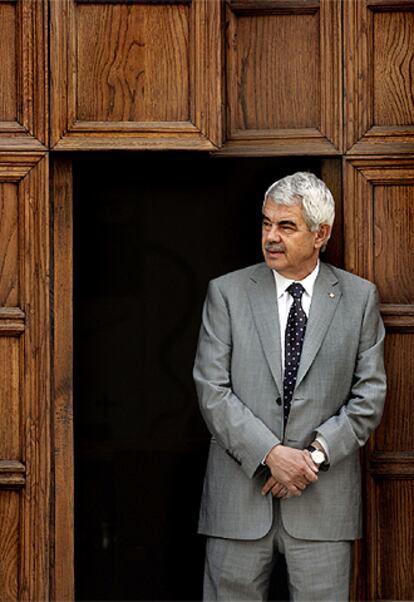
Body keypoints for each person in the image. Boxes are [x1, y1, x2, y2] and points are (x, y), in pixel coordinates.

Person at [193, 172, 386, 601]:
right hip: (237, 505)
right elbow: (212, 388)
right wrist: (271, 454)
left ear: (322, 234)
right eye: (266, 224)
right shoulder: (226, 293)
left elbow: (368, 396)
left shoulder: (359, 299)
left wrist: (309, 458)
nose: (271, 237)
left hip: (323, 507)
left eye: (286, 226)